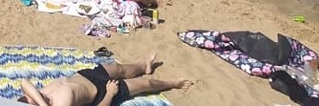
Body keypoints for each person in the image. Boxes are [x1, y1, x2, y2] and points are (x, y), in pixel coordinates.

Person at [20, 54, 191, 106]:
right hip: (101, 92)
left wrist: (40, 102)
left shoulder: (38, 95)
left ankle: (143, 64)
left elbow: (24, 83)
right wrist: (109, 94)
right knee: (145, 84)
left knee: (120, 68)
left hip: (86, 75)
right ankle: (174, 83)